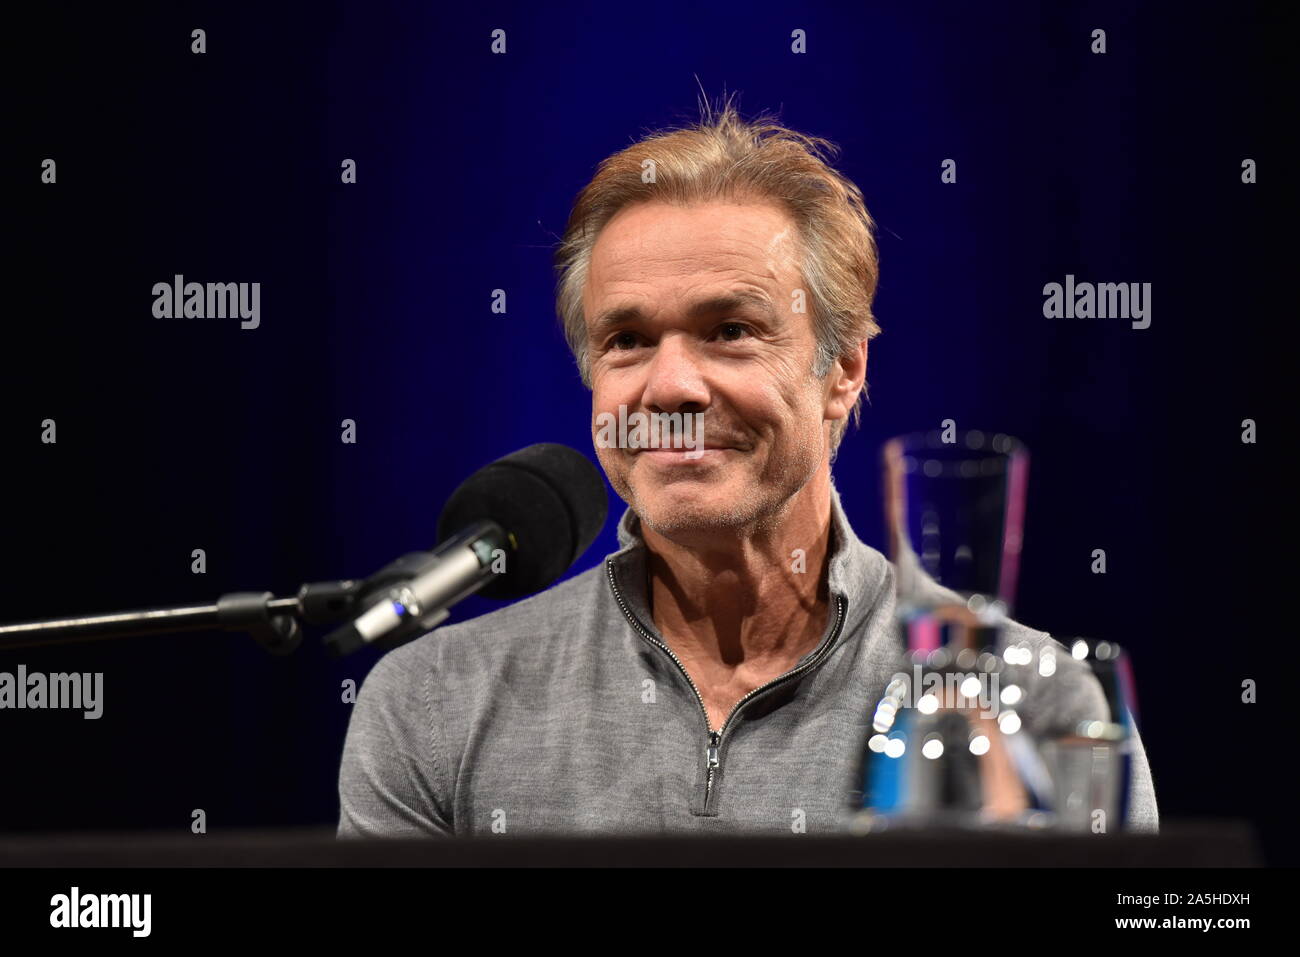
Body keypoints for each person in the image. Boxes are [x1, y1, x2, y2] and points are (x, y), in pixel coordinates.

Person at [337, 100, 1158, 837]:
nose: (669, 386)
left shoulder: (1038, 703)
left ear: (843, 371)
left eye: (730, 329)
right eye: (626, 339)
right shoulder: (433, 700)